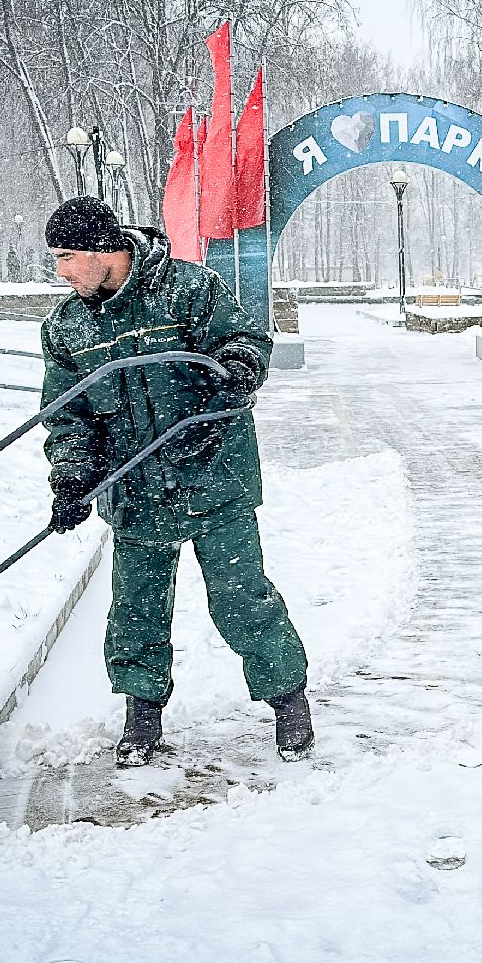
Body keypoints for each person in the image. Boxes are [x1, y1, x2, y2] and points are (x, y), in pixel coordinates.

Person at [38, 196, 312, 767]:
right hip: (137, 489)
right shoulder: (67, 326)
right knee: (135, 607)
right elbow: (67, 412)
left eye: (66, 257)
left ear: (100, 249)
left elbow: (245, 339)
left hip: (215, 474)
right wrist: (71, 477)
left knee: (242, 598)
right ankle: (142, 714)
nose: (60, 272)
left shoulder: (186, 288)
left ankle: (288, 699)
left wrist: (237, 369)